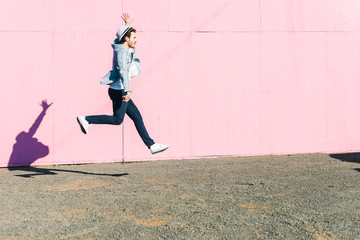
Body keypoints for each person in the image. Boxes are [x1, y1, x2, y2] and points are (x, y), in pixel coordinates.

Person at [77, 13, 169, 154]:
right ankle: (86, 119)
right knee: (117, 120)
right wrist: (127, 90)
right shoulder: (122, 53)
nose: (136, 40)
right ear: (126, 39)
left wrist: (127, 25)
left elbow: (119, 38)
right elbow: (123, 72)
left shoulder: (123, 47)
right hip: (119, 91)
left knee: (136, 116)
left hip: (119, 90)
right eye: (134, 38)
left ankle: (152, 145)